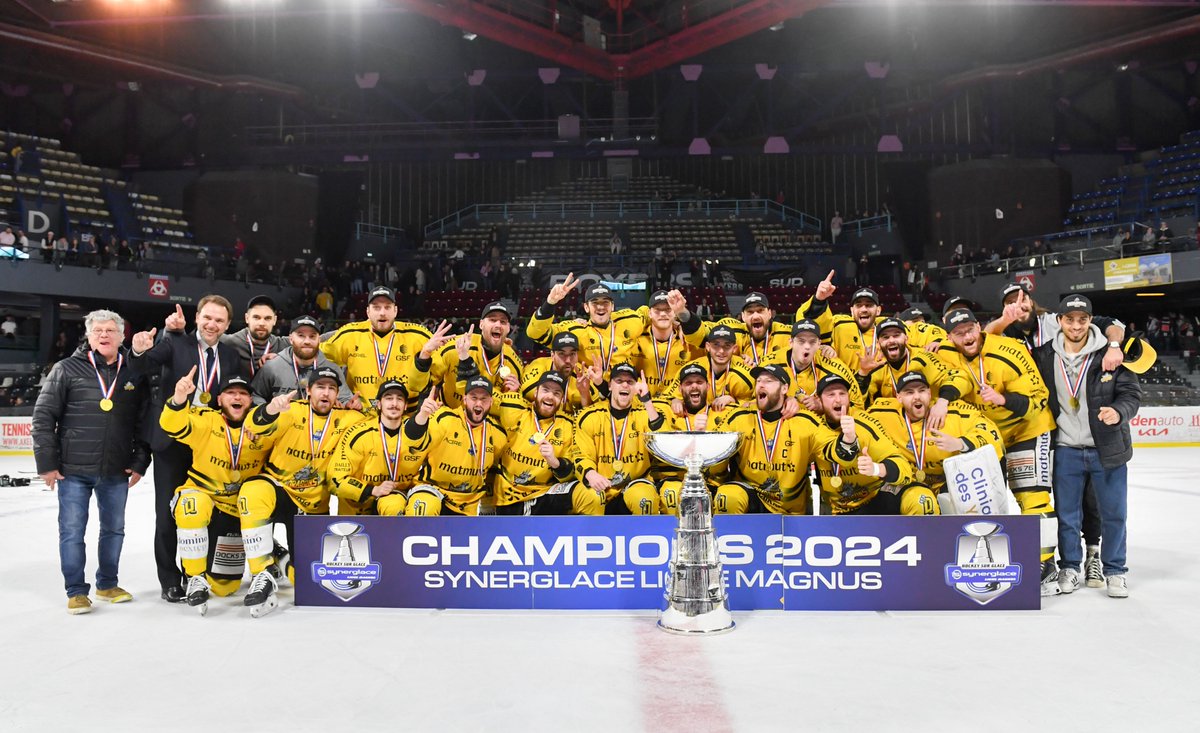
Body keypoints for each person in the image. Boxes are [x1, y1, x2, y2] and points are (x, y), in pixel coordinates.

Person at [32, 309, 151, 614]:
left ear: (121, 336)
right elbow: (44, 416)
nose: (104, 335)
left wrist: (140, 462)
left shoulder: (134, 373)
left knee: (114, 530)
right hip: (73, 470)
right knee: (72, 530)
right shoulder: (66, 368)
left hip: (116, 469)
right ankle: (75, 590)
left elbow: (144, 421)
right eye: (97, 330)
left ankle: (107, 584)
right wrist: (47, 463)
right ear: (88, 335)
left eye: (110, 330)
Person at [130, 296, 247, 602]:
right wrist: (139, 348)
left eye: (220, 321)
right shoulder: (175, 344)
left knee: (207, 512)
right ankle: (170, 579)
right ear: (198, 317)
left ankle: (198, 574)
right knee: (168, 514)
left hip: (209, 445)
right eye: (208, 318)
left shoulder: (230, 355)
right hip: (172, 442)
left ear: (227, 325)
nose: (212, 325)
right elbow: (141, 366)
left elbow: (237, 396)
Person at [937, 306, 1060, 596]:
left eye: (969, 330)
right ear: (950, 336)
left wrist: (1003, 399)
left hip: (1025, 430)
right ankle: (984, 563)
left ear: (979, 327)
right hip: (986, 437)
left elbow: (1038, 400)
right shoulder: (943, 353)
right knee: (980, 499)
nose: (966, 336)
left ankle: (1045, 564)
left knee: (1032, 496)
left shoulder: (1010, 349)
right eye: (958, 333)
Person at [1032, 296, 1142, 598]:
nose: (1077, 325)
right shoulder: (1042, 356)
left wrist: (1119, 412)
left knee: (1114, 514)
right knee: (1067, 515)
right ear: (1060, 322)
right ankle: (1070, 567)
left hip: (1107, 449)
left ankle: (1115, 571)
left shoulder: (1110, 355)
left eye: (1083, 319)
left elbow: (1131, 394)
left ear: (1091, 320)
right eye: (1070, 319)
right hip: (1066, 448)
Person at [238, 366, 368, 616]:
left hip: (313, 505)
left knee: (308, 583)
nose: (326, 393)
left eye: (332, 389)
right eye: (320, 387)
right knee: (252, 491)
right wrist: (270, 410)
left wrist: (365, 408)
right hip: (280, 489)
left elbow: (378, 427)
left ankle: (282, 558)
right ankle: (261, 573)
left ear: (337, 394)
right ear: (308, 391)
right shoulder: (291, 411)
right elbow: (254, 426)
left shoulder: (349, 419)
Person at [160, 374, 272, 614]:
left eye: (243, 393)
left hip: (235, 510)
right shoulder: (207, 420)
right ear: (219, 399)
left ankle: (271, 549)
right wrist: (180, 398)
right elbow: (172, 425)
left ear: (250, 400)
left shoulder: (260, 426)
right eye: (231, 393)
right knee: (191, 506)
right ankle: (194, 578)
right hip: (204, 495)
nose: (237, 397)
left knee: (224, 588)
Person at [714, 365, 849, 515]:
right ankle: (731, 538)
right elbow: (713, 450)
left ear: (785, 389)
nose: (761, 384)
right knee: (726, 496)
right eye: (759, 381)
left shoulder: (805, 421)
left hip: (790, 511)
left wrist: (848, 439)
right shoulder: (739, 418)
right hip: (751, 498)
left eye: (769, 381)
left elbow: (832, 448)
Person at [867, 370, 1003, 503]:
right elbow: (859, 421)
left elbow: (992, 432)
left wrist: (960, 443)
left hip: (952, 483)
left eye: (922, 391)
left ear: (930, 393)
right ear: (899, 397)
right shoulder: (881, 412)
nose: (917, 397)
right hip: (908, 484)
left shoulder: (953, 411)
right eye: (909, 392)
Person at [810, 373, 924, 516]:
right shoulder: (813, 427)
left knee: (922, 499)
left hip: (874, 502)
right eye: (830, 395)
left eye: (842, 393)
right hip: (838, 512)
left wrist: (876, 469)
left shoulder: (865, 424)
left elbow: (902, 466)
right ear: (819, 400)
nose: (838, 400)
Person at [402, 374, 510, 516]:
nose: (478, 404)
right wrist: (422, 415)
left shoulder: (498, 434)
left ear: (491, 402)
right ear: (464, 399)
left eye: (484, 399)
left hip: (470, 502)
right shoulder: (444, 418)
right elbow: (412, 440)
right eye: (474, 398)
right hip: (434, 490)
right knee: (423, 506)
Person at [493, 371, 599, 515]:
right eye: (545, 390)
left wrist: (554, 462)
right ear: (535, 393)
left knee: (592, 494)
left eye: (556, 393)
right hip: (509, 498)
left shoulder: (567, 425)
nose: (550, 396)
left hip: (544, 494)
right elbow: (482, 401)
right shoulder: (516, 411)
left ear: (562, 400)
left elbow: (570, 473)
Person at [571, 363, 662, 515]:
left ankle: (643, 538)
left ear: (635, 388)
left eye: (630, 382)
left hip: (634, 482)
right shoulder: (590, 416)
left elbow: (662, 442)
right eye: (619, 381)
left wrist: (647, 400)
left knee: (645, 498)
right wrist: (590, 473)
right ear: (610, 386)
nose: (625, 385)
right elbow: (580, 455)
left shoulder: (646, 413)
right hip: (601, 483)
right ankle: (595, 538)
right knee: (591, 496)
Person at [320, 286, 433, 406]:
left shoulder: (418, 335)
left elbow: (446, 356)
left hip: (404, 417)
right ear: (368, 311)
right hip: (360, 416)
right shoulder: (349, 334)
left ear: (395, 310)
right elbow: (315, 355)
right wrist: (343, 396)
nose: (382, 313)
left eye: (387, 307)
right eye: (376, 307)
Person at [526, 276, 648, 380]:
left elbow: (650, 313)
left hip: (625, 388)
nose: (600, 307)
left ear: (612, 306)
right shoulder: (574, 330)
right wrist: (550, 303)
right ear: (586, 307)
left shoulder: (630, 320)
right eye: (594, 303)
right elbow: (536, 334)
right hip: (590, 393)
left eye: (605, 302)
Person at [330, 379, 420, 517]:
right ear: (378, 404)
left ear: (406, 405)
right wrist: (372, 490)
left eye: (399, 399)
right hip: (358, 513)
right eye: (389, 398)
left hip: (395, 505)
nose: (394, 404)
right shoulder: (358, 434)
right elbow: (335, 480)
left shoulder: (416, 434)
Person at [649, 363, 730, 514]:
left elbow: (752, 407)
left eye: (699, 382)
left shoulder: (723, 412)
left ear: (707, 386)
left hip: (712, 482)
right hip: (675, 479)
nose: (694, 386)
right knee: (671, 495)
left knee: (727, 498)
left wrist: (730, 398)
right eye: (688, 383)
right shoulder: (669, 411)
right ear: (680, 389)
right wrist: (672, 400)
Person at [860, 317, 970, 424]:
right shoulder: (877, 366)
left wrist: (942, 402)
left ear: (906, 338)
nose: (891, 340)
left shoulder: (924, 358)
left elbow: (960, 377)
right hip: (897, 424)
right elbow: (858, 401)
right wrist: (863, 373)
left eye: (896, 335)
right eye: (885, 337)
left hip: (929, 419)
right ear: (878, 344)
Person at [431, 302, 524, 409]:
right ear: (481, 324)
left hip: (487, 421)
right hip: (449, 414)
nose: (498, 325)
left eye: (503, 322)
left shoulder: (514, 362)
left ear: (508, 328)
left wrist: (514, 395)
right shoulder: (455, 346)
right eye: (492, 320)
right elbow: (425, 382)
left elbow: (512, 410)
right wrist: (424, 355)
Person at [761, 319, 861, 413]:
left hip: (819, 428)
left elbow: (858, 406)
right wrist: (781, 401)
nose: (807, 346)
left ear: (819, 344)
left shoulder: (833, 366)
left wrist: (824, 407)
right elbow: (752, 399)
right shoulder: (770, 363)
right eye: (801, 341)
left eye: (812, 342)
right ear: (791, 342)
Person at [250, 315, 354, 405]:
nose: (307, 341)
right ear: (291, 339)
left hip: (319, 427)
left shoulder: (332, 369)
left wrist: (348, 404)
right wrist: (268, 412)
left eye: (312, 336)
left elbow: (345, 399)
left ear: (319, 339)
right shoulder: (273, 366)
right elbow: (255, 394)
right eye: (301, 336)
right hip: (284, 426)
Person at [673, 290, 793, 367]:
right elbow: (700, 335)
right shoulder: (732, 330)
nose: (756, 316)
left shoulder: (786, 332)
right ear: (743, 317)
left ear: (770, 313)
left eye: (760, 311)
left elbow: (808, 333)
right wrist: (683, 313)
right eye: (750, 312)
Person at [661, 323, 754, 413]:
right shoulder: (691, 368)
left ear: (734, 348)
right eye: (716, 345)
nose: (721, 351)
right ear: (708, 347)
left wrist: (733, 400)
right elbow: (667, 397)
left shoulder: (747, 370)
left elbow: (759, 403)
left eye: (727, 345)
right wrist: (674, 401)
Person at [633, 290, 701, 397]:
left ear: (674, 313)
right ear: (649, 313)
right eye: (657, 310)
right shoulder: (636, 340)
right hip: (643, 405)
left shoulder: (688, 341)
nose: (663, 314)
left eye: (668, 309)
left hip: (676, 406)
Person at [520, 332, 592, 415]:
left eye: (572, 354)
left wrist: (584, 395)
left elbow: (591, 416)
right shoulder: (535, 372)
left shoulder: (584, 377)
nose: (568, 360)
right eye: (562, 354)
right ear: (552, 355)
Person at [223, 294, 287, 378]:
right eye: (256, 317)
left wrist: (283, 356)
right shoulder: (230, 342)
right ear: (247, 318)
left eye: (267, 318)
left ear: (274, 320)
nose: (261, 323)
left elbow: (307, 344)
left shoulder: (282, 345)